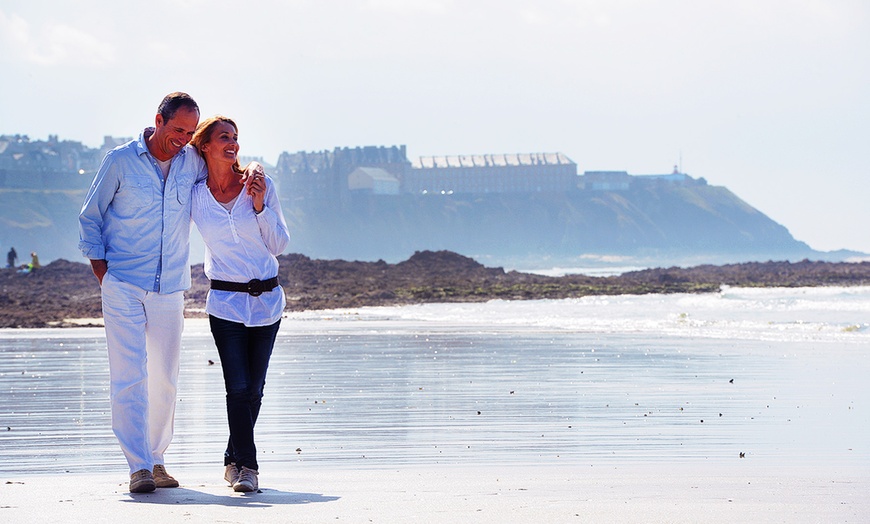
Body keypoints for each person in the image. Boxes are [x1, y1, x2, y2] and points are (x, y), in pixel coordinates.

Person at [77, 93, 264, 494]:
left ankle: (158, 458)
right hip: (123, 282)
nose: (182, 138)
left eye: (189, 132)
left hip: (170, 286)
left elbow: (222, 165)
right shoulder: (120, 161)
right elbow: (89, 218)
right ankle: (139, 466)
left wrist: (250, 169)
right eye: (177, 129)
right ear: (158, 120)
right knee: (129, 376)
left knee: (165, 378)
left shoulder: (191, 162)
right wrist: (103, 276)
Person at [189, 116, 290, 493]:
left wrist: (260, 204)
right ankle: (248, 468)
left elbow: (278, 244)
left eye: (235, 138)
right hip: (225, 304)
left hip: (267, 302)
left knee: (255, 389)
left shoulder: (257, 184)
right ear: (205, 146)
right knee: (238, 387)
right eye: (223, 138)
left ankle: (233, 457)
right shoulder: (195, 194)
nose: (232, 143)